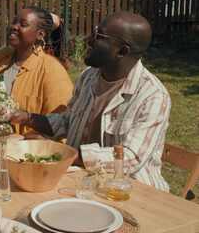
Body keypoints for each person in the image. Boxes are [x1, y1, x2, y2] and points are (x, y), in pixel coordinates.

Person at [9, 12, 170, 191]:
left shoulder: (152, 96)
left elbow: (131, 158)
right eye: (94, 32)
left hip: (132, 192)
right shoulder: (89, 76)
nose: (89, 40)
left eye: (99, 36)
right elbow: (67, 122)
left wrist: (59, 154)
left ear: (122, 51)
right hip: (82, 183)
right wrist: (26, 118)